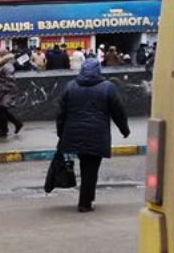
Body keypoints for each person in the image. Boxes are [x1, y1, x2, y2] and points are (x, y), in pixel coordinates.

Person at [56, 58, 131, 212]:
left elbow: (60, 113)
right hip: (97, 134)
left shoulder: (71, 86)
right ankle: (85, 202)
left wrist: (61, 133)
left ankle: (87, 198)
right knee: (91, 168)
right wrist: (124, 130)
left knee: (86, 165)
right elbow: (118, 112)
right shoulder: (108, 87)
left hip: (74, 133)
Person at [0, 48, 24, 137]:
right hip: (3, 90)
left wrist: (2, 89)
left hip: (6, 91)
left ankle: (4, 130)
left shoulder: (7, 66)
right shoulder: (4, 64)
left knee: (0, 109)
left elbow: (10, 79)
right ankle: (15, 124)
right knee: (2, 110)